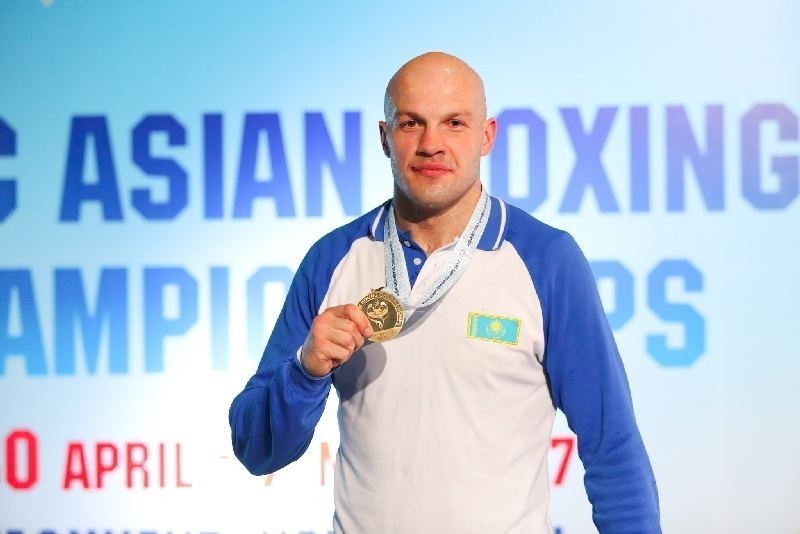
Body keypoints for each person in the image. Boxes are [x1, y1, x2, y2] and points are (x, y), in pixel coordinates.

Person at [229, 51, 661, 533]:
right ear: (385, 138)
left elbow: (612, 447)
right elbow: (256, 450)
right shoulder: (332, 259)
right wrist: (304, 372)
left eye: (454, 123)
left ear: (487, 136)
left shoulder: (547, 259)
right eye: (411, 123)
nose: (431, 144)